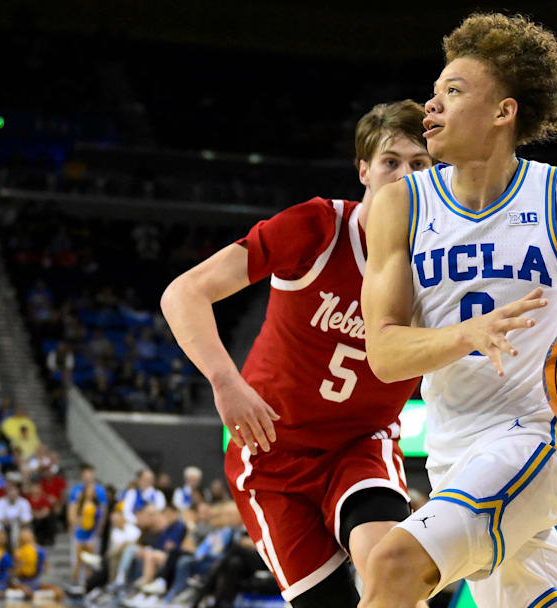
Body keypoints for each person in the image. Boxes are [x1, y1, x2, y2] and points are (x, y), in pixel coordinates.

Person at [358, 13, 557, 608]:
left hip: (538, 434)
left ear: (503, 112)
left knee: (393, 566)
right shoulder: (400, 207)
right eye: (434, 93)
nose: (432, 106)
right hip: (453, 448)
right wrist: (465, 335)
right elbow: (383, 352)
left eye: (452, 92)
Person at [162, 100, 433, 607]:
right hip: (271, 455)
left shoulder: (442, 264)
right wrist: (226, 381)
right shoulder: (318, 227)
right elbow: (184, 292)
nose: (405, 176)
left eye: (420, 164)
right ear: (364, 171)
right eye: (391, 162)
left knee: (391, 571)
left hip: (360, 444)